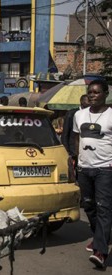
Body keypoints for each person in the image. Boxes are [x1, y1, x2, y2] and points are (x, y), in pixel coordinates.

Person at [73, 79, 112, 269]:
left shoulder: (111, 115)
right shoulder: (79, 115)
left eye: (96, 92)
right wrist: (76, 159)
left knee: (104, 207)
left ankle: (100, 252)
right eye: (90, 92)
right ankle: (101, 237)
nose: (92, 95)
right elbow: (76, 137)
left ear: (106, 93)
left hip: (106, 168)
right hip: (84, 168)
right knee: (88, 206)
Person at [62, 95, 90, 178]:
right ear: (82, 102)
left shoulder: (91, 114)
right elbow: (66, 133)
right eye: (87, 101)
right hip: (74, 149)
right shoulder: (72, 114)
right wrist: (67, 150)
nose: (89, 103)